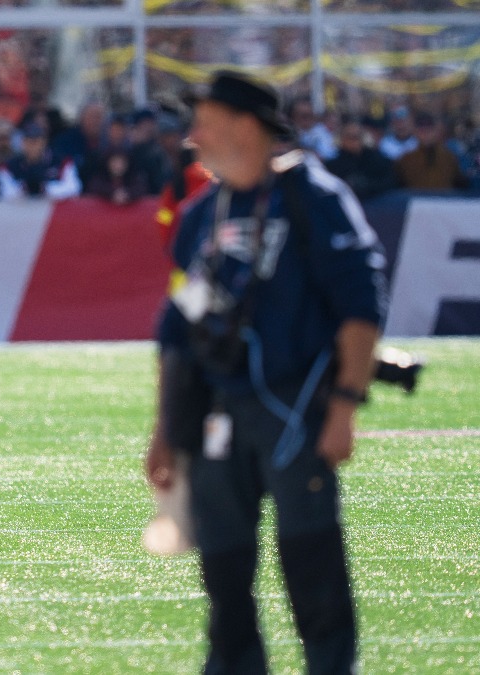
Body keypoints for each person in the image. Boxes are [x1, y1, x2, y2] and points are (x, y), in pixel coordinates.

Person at [144, 70, 388, 674]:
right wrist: (166, 432)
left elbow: (361, 306)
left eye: (205, 121)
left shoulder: (314, 199)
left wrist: (345, 408)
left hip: (296, 409)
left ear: (245, 126)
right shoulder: (200, 216)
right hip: (216, 416)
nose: (193, 137)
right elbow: (178, 331)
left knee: (313, 567)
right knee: (223, 573)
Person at [324, 116, 397, 201]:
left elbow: (390, 183)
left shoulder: (379, 160)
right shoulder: (332, 166)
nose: (354, 140)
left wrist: (368, 185)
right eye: (350, 136)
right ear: (341, 139)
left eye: (357, 136)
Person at [393, 111, 469, 191]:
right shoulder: (405, 160)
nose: (426, 135)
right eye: (422, 131)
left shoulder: (449, 158)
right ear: (415, 132)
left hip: (443, 198)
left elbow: (460, 185)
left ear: (436, 131)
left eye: (429, 130)